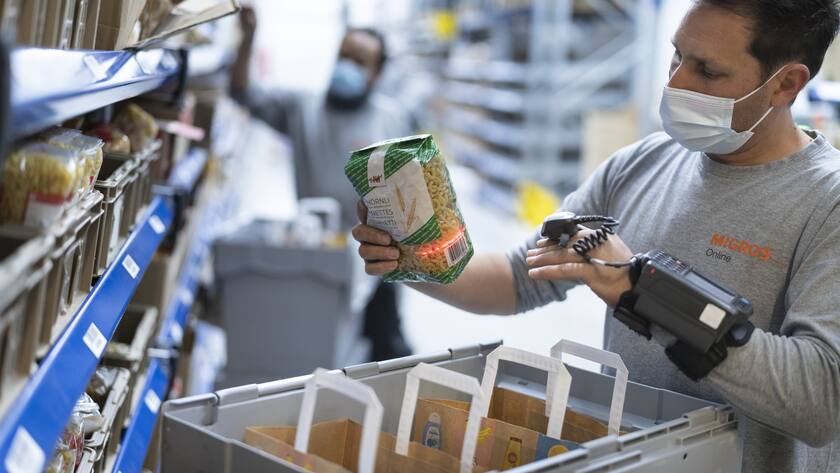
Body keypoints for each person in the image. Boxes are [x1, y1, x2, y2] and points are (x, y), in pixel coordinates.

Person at [352, 1, 840, 471]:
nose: (675, 83)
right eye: (677, 55)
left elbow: (819, 401)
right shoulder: (642, 164)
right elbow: (518, 278)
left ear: (786, 84)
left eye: (707, 71)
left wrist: (648, 293)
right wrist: (412, 258)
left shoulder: (827, 203)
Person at [231, 7, 413, 361]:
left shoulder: (392, 120)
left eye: (359, 62)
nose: (347, 66)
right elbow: (242, 94)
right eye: (343, 56)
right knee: (316, 353)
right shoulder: (302, 107)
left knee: (382, 353)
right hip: (316, 259)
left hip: (377, 262)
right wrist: (248, 39)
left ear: (376, 74)